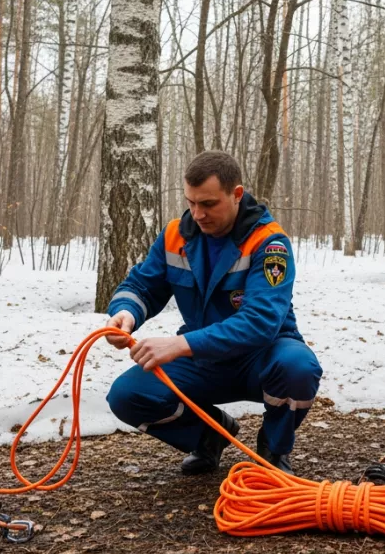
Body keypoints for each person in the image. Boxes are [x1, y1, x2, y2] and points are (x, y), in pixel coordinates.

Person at [104, 151, 322, 475]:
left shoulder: (269, 242)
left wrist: (179, 345)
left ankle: (273, 451)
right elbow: (143, 285)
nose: (198, 214)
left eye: (208, 204)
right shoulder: (176, 235)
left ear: (236, 195)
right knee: (127, 395)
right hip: (203, 360)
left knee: (299, 368)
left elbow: (259, 323)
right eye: (191, 202)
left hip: (261, 356)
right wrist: (126, 313)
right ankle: (210, 436)